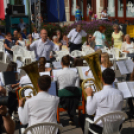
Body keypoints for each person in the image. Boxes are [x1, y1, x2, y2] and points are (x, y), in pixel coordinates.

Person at [79, 68, 124, 134]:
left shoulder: (97, 95)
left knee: (82, 117)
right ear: (114, 79)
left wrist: (89, 96)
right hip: (116, 127)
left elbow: (90, 112)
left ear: (102, 79)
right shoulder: (120, 93)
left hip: (101, 129)